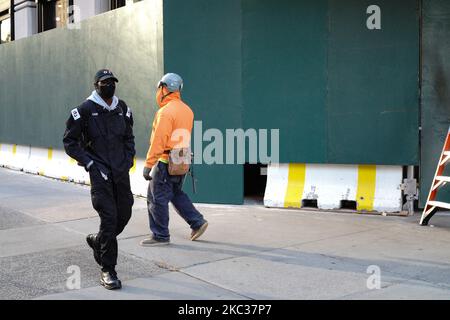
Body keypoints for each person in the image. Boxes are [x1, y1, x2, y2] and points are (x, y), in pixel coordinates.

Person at [63, 69, 135, 290]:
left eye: (112, 82)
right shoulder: (83, 111)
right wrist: (91, 164)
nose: (109, 86)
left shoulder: (122, 109)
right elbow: (70, 142)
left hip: (121, 173)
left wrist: (129, 159)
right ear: (96, 86)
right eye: (104, 83)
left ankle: (98, 241)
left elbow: (129, 137)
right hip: (100, 175)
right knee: (110, 218)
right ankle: (108, 270)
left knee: (125, 213)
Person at [140, 73, 208, 246]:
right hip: (181, 161)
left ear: (164, 88)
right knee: (176, 193)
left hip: (165, 162)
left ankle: (160, 235)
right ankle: (197, 222)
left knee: (156, 198)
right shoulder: (187, 110)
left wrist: (149, 164)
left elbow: (159, 140)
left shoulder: (165, 112)